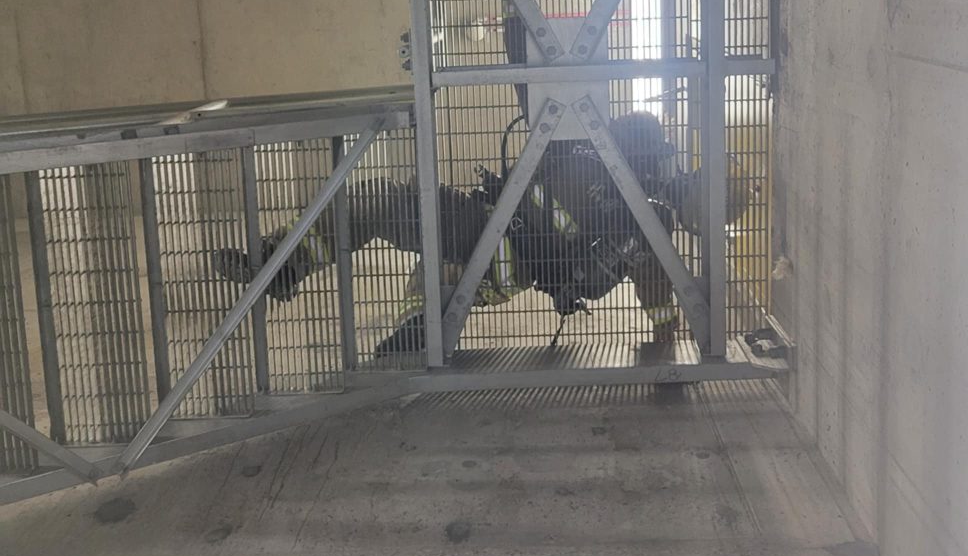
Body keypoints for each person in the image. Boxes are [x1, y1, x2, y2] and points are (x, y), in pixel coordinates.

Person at [213, 111, 753, 356]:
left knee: (395, 222)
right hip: (487, 220)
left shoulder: (651, 234)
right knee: (387, 213)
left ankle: (408, 340)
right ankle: (280, 267)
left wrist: (668, 341)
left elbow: (652, 302)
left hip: (501, 252)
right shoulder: (624, 143)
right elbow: (568, 124)